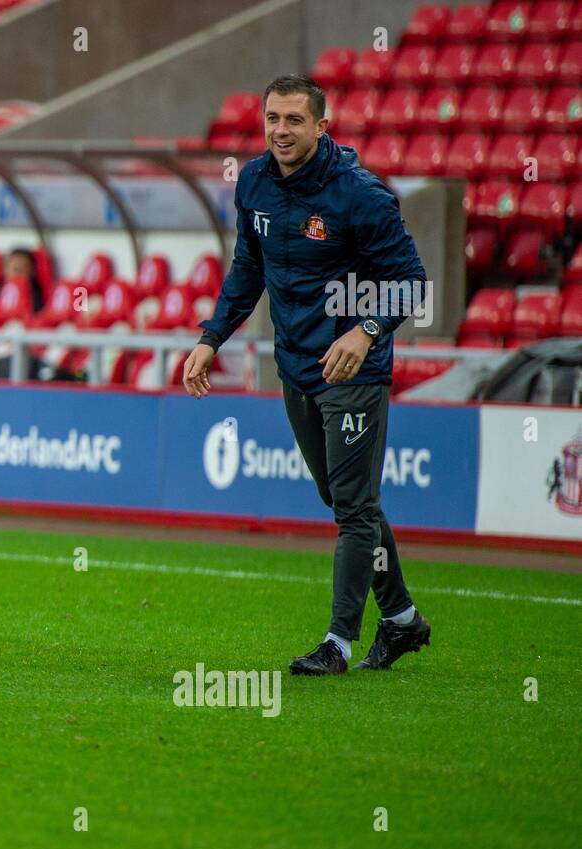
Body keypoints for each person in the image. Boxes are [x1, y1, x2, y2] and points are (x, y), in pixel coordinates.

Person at [181, 74, 432, 676]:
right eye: (272, 118)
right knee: (348, 500)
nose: (280, 131)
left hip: (354, 367)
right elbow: (247, 267)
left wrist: (365, 331)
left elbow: (412, 282)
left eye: (294, 120)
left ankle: (338, 643)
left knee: (352, 509)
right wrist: (211, 337)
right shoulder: (255, 182)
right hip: (296, 366)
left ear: (322, 125)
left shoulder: (359, 195)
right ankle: (400, 619)